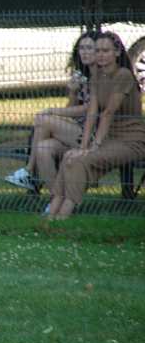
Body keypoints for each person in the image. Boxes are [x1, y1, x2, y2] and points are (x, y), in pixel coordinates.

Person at [47, 32, 145, 220]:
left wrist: (93, 147)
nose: (101, 54)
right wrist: (83, 147)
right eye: (98, 50)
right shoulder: (96, 77)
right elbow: (92, 113)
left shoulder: (123, 75)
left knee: (80, 160)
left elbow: (107, 113)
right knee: (71, 155)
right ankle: (51, 214)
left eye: (106, 50)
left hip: (132, 141)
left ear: (117, 52)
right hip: (110, 139)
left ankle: (63, 216)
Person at [5, 31, 98, 193]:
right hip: (77, 132)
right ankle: (56, 200)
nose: (84, 52)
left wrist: (53, 111)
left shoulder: (102, 76)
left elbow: (88, 109)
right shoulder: (84, 75)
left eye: (89, 48)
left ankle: (29, 171)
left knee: (43, 118)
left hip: (95, 137)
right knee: (43, 148)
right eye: (81, 48)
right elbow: (72, 108)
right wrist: (73, 92)